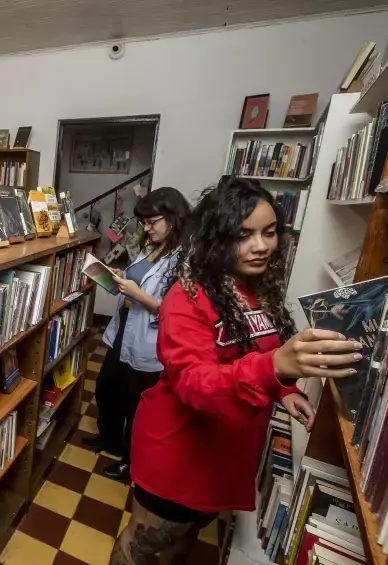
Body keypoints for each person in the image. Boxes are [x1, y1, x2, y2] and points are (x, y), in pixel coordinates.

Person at [110, 177, 363, 564]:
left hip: (224, 460)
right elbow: (194, 383)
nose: (261, 245)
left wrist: (285, 389)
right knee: (141, 548)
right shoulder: (187, 297)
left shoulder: (254, 289)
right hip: (177, 458)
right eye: (244, 235)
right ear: (217, 238)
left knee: (182, 548)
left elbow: (261, 353)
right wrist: (274, 368)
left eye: (270, 232)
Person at [82, 187, 190, 482]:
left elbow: (173, 311)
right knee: (107, 387)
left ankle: (130, 464)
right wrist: (116, 282)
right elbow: (137, 280)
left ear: (173, 218)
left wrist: (139, 295)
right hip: (126, 326)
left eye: (153, 221)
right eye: (144, 222)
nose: (147, 228)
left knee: (137, 406)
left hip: (148, 338)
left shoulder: (184, 259)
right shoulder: (151, 246)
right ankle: (111, 441)